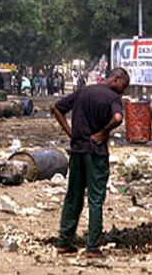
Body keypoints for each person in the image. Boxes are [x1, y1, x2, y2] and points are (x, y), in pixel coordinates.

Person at [51, 67, 130, 257]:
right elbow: (118, 117)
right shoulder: (112, 98)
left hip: (77, 151)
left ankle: (64, 242)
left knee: (73, 196)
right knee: (95, 199)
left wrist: (71, 133)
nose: (124, 89)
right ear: (115, 78)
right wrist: (104, 132)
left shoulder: (83, 91)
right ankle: (93, 247)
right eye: (124, 85)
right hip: (96, 152)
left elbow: (56, 108)